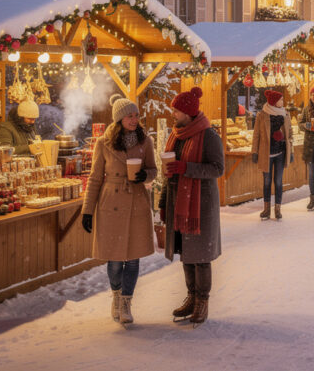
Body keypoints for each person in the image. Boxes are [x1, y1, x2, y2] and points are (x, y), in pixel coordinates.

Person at [81, 95, 157, 325]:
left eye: (136, 115)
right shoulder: (103, 143)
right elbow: (95, 178)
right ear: (119, 119)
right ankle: (116, 294)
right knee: (114, 260)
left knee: (133, 259)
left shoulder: (146, 141)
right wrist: (87, 210)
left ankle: (126, 303)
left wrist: (146, 176)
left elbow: (153, 169)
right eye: (129, 116)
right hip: (110, 204)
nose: (134, 120)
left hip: (136, 202)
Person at [158, 87, 224, 325]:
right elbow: (169, 172)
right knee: (186, 253)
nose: (173, 113)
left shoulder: (208, 136)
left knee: (200, 255)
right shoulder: (176, 134)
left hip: (200, 204)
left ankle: (202, 301)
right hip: (179, 201)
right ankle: (191, 296)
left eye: (176, 110)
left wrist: (187, 169)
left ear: (188, 112)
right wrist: (164, 201)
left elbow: (217, 169)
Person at [251, 90, 293, 221]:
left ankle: (278, 209)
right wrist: (254, 152)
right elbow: (256, 134)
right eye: (281, 100)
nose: (283, 102)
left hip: (280, 153)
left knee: (279, 182)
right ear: (274, 102)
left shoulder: (285, 114)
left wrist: (291, 151)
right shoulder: (262, 115)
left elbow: (290, 135)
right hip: (266, 154)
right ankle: (266, 209)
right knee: (267, 182)